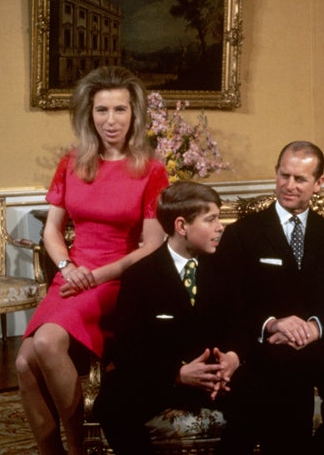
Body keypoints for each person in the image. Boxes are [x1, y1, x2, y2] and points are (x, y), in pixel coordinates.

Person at [16, 66, 169, 455]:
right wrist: (69, 268)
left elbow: (151, 246)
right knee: (23, 364)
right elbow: (51, 231)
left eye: (120, 110)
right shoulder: (72, 162)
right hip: (74, 274)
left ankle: (77, 447)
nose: (110, 120)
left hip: (119, 277)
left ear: (135, 114)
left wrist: (96, 275)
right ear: (89, 114)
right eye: (102, 110)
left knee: (47, 342)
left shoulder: (151, 169)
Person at [204, 141, 324, 454]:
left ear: (319, 183)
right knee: (286, 391)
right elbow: (229, 302)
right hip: (268, 347)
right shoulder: (243, 233)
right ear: (275, 173)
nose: (289, 185)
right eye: (284, 175)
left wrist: (315, 327)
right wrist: (271, 324)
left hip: (321, 342)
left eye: (300, 179)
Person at [94, 181, 238, 454]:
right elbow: (128, 349)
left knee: (268, 390)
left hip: (219, 378)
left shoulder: (227, 267)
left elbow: (241, 324)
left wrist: (233, 358)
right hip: (164, 380)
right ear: (181, 226)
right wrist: (178, 373)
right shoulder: (141, 276)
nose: (220, 227)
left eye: (219, 218)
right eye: (211, 219)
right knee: (112, 404)